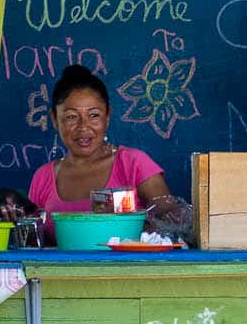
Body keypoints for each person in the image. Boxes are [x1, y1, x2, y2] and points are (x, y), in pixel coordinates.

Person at [23, 65, 175, 213]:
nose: (83, 126)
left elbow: (173, 221)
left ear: (107, 116)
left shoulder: (133, 164)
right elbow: (32, 235)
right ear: (55, 119)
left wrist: (127, 221)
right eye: (71, 117)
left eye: (94, 115)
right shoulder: (42, 177)